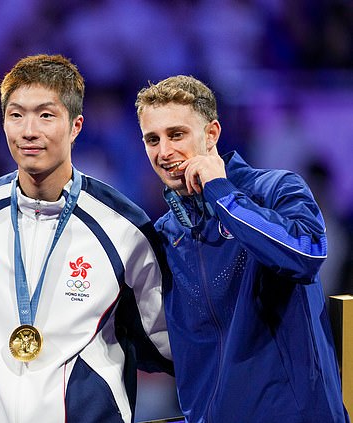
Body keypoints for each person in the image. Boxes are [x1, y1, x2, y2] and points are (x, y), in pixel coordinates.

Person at [0, 54, 172, 423]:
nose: (29, 131)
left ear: (76, 126)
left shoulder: (124, 228)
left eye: (46, 115)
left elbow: (166, 343)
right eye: (16, 115)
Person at [135, 75, 349, 423]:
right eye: (152, 139)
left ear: (212, 134)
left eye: (177, 135)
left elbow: (305, 256)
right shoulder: (165, 235)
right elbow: (154, 342)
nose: (164, 152)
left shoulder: (276, 189)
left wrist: (222, 194)